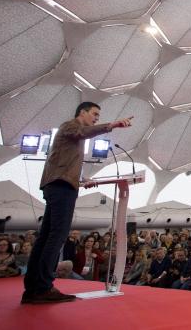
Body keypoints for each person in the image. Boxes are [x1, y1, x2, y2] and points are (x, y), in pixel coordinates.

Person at [22, 101, 132, 304]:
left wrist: (81, 180)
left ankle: (33, 287)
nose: (96, 118)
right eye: (95, 114)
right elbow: (82, 132)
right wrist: (112, 125)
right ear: (82, 112)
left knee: (46, 236)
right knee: (57, 236)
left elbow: (65, 163)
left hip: (59, 184)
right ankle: (43, 286)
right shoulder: (70, 126)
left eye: (99, 116)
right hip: (61, 187)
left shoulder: (72, 138)